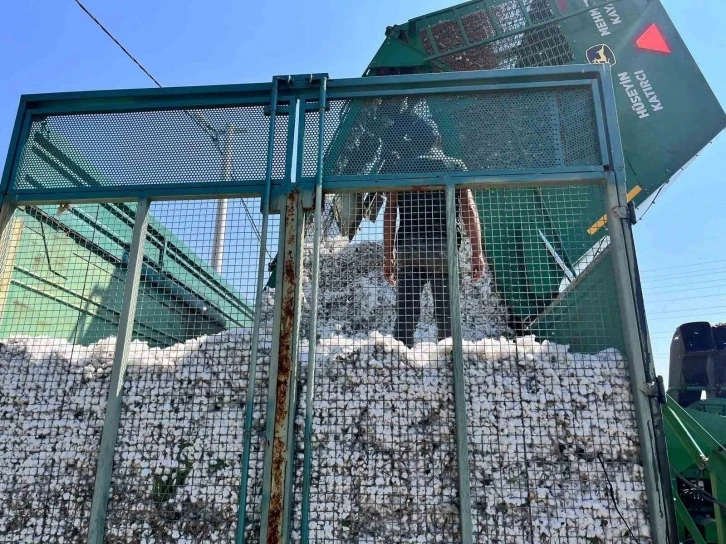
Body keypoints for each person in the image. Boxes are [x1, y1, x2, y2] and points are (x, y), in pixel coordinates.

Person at [381, 113, 486, 348]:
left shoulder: (399, 169)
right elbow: (469, 210)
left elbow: (389, 214)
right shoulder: (455, 166)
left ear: (412, 142)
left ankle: (399, 360)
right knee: (447, 314)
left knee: (407, 314)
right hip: (444, 249)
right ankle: (450, 360)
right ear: (438, 139)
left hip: (409, 249)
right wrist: (476, 252)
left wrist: (389, 256)